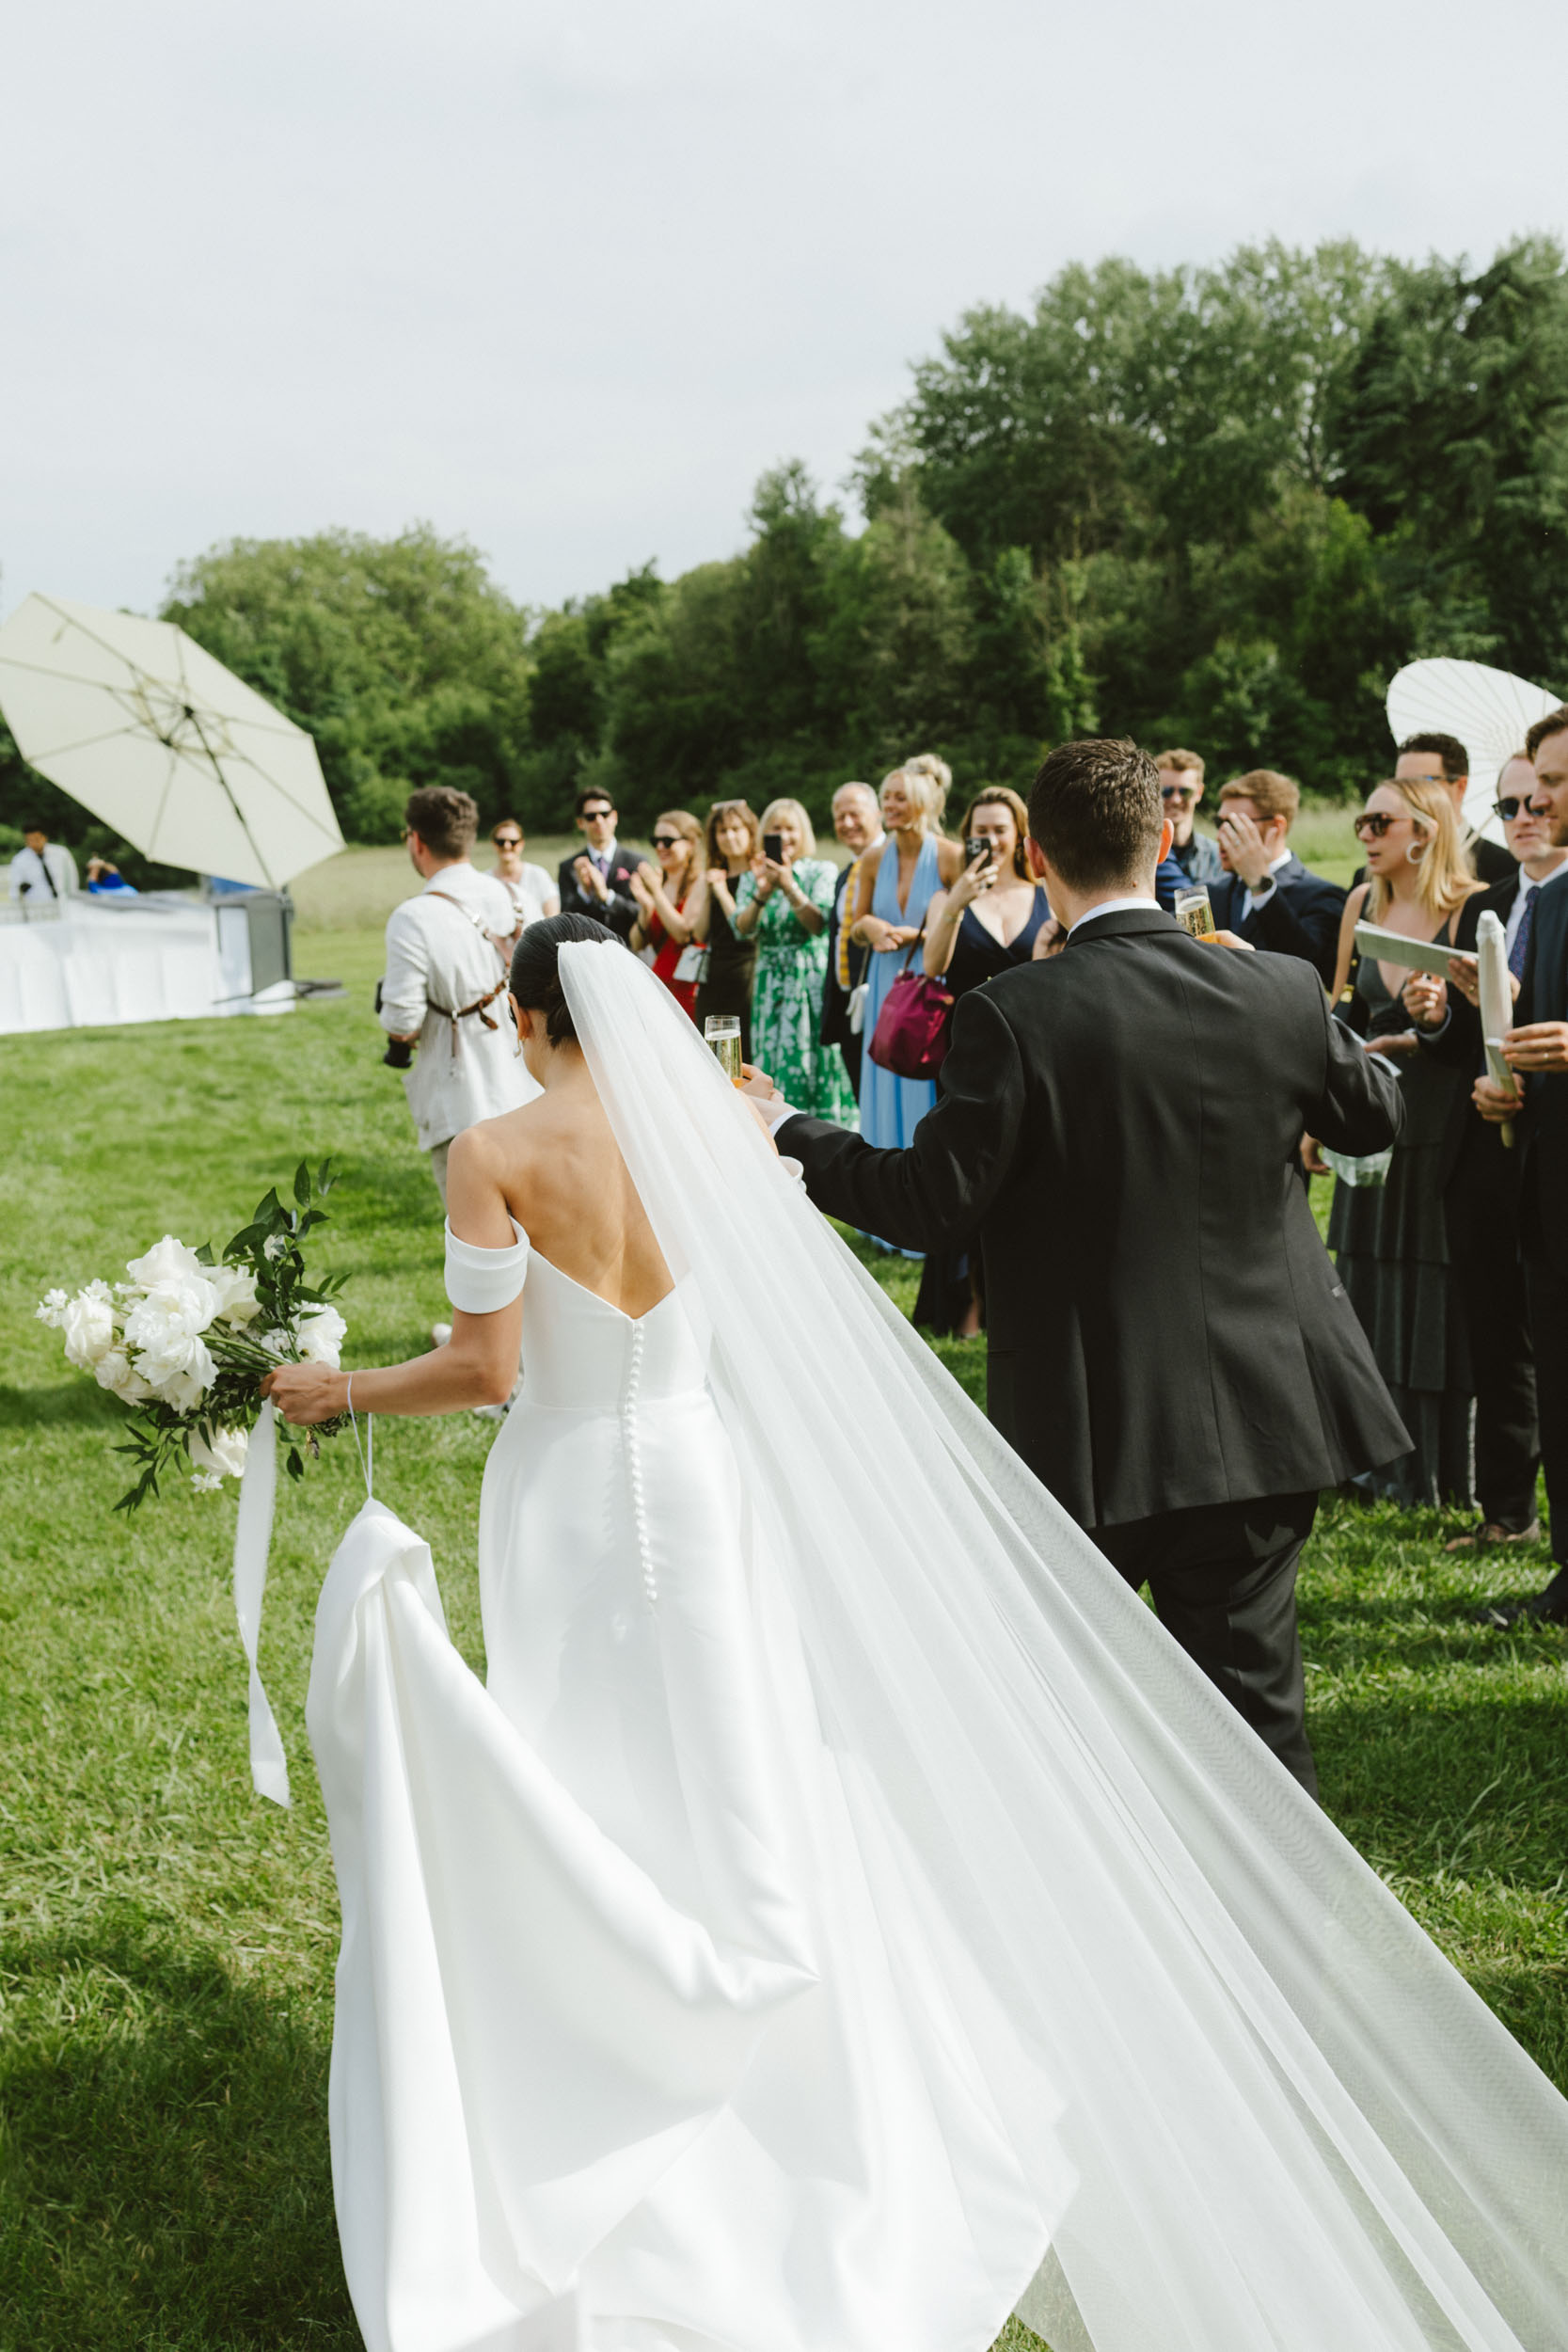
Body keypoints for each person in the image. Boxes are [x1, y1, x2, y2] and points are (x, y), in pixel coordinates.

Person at [266, 917, 1568, 2352]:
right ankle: (776, 2055)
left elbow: (485, 1368)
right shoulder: (717, 1139)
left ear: (526, 1018)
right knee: (741, 1760)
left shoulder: (493, 1153)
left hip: (569, 1493)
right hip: (704, 1487)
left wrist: (340, 1392)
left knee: (578, 1756)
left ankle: (600, 2028)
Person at [768, 735, 1412, 1792]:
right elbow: (1371, 1113)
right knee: (1257, 1723)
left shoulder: (1013, 1014)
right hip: (1260, 1415)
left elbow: (930, 1204)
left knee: (1072, 1727)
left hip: (1085, 1428)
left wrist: (791, 1130)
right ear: (1164, 838)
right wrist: (1284, 1009)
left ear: (1038, 851)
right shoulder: (1276, 989)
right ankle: (1279, 1948)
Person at [1401, 755, 1565, 1555]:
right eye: (1505, 806)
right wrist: (1435, 1016)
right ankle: (1506, 1510)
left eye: (1536, 800)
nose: (1522, 815)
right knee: (1493, 1331)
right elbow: (1458, 1047)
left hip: (1551, 1145)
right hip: (1482, 1145)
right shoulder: (1485, 906)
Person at [1315, 776, 1482, 1507]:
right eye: (1360, 822)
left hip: (1443, 1128)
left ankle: (1439, 1473)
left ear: (1423, 830)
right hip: (1370, 1127)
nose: (1365, 835)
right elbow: (1339, 1008)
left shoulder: (1470, 906)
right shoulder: (1359, 902)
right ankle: (1368, 1460)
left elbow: (1485, 1033)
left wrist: (1433, 1025)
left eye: (1379, 822)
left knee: (1433, 1292)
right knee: (1366, 1285)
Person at [1472, 705, 1568, 1625]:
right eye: (1532, 781)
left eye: (1553, 782)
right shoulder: (1542, 897)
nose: (1533, 799)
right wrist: (1509, 1087)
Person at [914, 786, 1053, 1335]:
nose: (990, 839)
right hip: (964, 1055)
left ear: (1021, 835)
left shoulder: (1047, 893)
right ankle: (965, 1304)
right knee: (962, 1174)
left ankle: (1015, 1300)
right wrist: (956, 903)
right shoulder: (945, 897)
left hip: (1032, 1052)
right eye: (980, 830)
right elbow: (932, 967)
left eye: (1000, 829)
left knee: (1025, 1175)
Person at [379, 785, 540, 1205]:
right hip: (533, 1094)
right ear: (469, 837)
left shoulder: (413, 917)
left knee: (478, 1248)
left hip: (463, 1101)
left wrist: (398, 1037)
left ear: (416, 840)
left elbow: (401, 1021)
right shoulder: (519, 898)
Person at [850, 766, 965, 1156]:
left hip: (931, 986)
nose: (890, 805)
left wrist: (914, 936)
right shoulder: (872, 859)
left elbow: (965, 927)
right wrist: (873, 928)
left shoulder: (951, 857)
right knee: (883, 1076)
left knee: (924, 1086)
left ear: (924, 803)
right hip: (887, 983)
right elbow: (855, 926)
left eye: (900, 797)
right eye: (887, 797)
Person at [734, 798, 855, 1120]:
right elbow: (743, 930)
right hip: (769, 982)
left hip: (809, 978)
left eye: (790, 828)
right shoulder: (752, 875)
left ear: (804, 833)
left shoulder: (820, 871)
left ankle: (824, 1130)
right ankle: (780, 1129)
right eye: (776, 828)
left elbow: (819, 925)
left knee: (814, 1059)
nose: (783, 835)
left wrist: (788, 886)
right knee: (774, 1059)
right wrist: (762, 892)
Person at [1205, 770, 1346, 988]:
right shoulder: (1213, 893)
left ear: (1276, 826)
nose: (1220, 836)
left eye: (1234, 825)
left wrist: (1261, 885)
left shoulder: (1321, 895)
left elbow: (1311, 968)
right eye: (1218, 823)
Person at [819, 781, 883, 1096]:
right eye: (839, 816)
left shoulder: (892, 863)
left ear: (877, 813)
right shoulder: (846, 874)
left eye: (854, 814)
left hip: (884, 1008)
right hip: (849, 1011)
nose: (846, 824)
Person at [1395, 731, 1516, 886]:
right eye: (1400, 785)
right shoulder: (1385, 861)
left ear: (1460, 786)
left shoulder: (1504, 869)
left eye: (1422, 783)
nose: (1408, 794)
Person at [690, 799, 760, 1056]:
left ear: (750, 832)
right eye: (722, 831)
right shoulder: (713, 876)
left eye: (736, 829)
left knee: (746, 1052)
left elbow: (747, 930)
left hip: (748, 973)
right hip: (714, 975)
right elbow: (698, 933)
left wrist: (721, 892)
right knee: (711, 1053)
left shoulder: (759, 876)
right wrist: (709, 890)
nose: (729, 837)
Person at [628, 809, 704, 1017]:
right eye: (656, 840)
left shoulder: (700, 882)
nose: (660, 847)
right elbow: (637, 942)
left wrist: (656, 893)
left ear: (690, 843)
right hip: (659, 985)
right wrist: (645, 906)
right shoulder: (659, 881)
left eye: (668, 841)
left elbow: (683, 933)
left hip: (689, 989)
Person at [556, 788, 646, 938]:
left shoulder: (637, 862)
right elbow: (565, 921)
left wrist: (608, 897)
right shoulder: (568, 867)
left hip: (629, 950)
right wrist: (584, 892)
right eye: (591, 817)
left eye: (605, 814)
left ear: (615, 817)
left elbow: (643, 913)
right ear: (580, 823)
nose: (599, 821)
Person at [1155, 747, 1224, 885]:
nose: (1176, 800)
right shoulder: (1142, 854)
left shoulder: (1217, 857)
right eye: (1166, 791)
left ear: (1199, 793)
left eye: (1185, 792)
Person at [489, 818, 558, 934]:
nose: (507, 846)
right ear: (494, 844)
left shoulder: (538, 875)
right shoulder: (486, 880)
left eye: (513, 842)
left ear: (521, 844)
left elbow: (553, 916)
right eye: (501, 842)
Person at [8, 821, 77, 904]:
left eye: (36, 839)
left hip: (63, 902)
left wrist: (72, 899)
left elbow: (72, 878)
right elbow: (15, 888)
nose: (33, 843)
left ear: (44, 837)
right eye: (30, 840)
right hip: (36, 906)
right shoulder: (19, 860)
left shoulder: (61, 853)